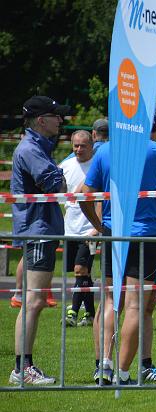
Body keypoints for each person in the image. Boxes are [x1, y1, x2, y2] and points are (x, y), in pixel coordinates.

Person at [80, 131, 156, 385]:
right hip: (144, 234)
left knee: (110, 301)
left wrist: (98, 225)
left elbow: (85, 194)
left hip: (113, 232)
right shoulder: (153, 149)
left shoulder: (105, 150)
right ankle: (122, 373)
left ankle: (104, 367)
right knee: (135, 305)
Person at [10, 95, 70, 385]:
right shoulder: (31, 149)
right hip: (38, 229)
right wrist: (60, 176)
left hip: (40, 228)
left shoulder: (38, 147)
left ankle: (24, 367)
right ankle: (22, 369)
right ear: (41, 120)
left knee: (33, 301)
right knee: (33, 302)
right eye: (56, 115)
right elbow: (56, 185)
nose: (60, 120)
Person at [59, 130, 98, 327]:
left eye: (83, 145)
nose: (79, 149)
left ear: (92, 146)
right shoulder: (65, 166)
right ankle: (90, 314)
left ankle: (72, 312)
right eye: (76, 145)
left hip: (89, 229)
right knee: (84, 274)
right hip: (70, 228)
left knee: (79, 269)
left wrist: (97, 228)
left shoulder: (98, 166)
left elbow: (102, 200)